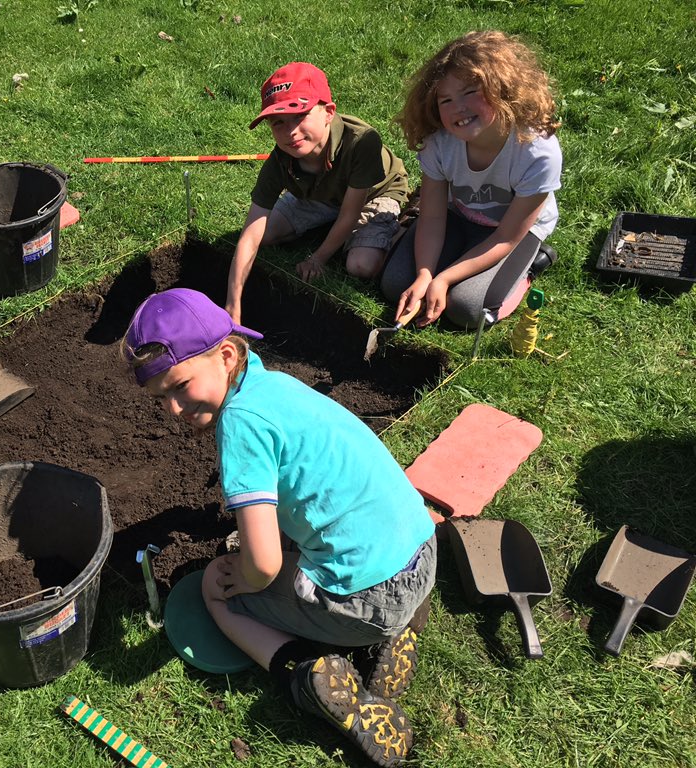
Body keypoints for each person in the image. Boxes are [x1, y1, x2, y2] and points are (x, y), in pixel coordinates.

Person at [122, 288, 436, 768]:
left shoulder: (241, 427)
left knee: (214, 585)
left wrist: (243, 578)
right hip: (420, 548)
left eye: (180, 387)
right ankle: (400, 632)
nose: (173, 409)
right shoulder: (274, 386)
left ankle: (306, 676)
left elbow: (265, 565)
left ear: (226, 355)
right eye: (161, 397)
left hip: (371, 598)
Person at [380, 30, 562, 329]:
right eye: (446, 100)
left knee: (467, 309)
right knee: (397, 284)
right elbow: (433, 217)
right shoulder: (439, 142)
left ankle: (531, 265)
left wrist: (445, 278)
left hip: (511, 233)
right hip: (458, 215)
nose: (458, 108)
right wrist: (426, 275)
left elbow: (505, 237)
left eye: (470, 93)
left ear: (502, 89)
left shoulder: (537, 153)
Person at [226, 62, 410, 324]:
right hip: (323, 196)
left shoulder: (362, 141)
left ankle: (400, 227)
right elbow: (250, 236)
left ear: (328, 112)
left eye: (300, 116)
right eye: (278, 123)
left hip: (373, 192)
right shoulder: (279, 162)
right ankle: (331, 231)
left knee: (361, 265)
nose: (291, 132)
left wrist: (317, 258)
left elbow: (350, 213)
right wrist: (233, 304)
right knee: (265, 235)